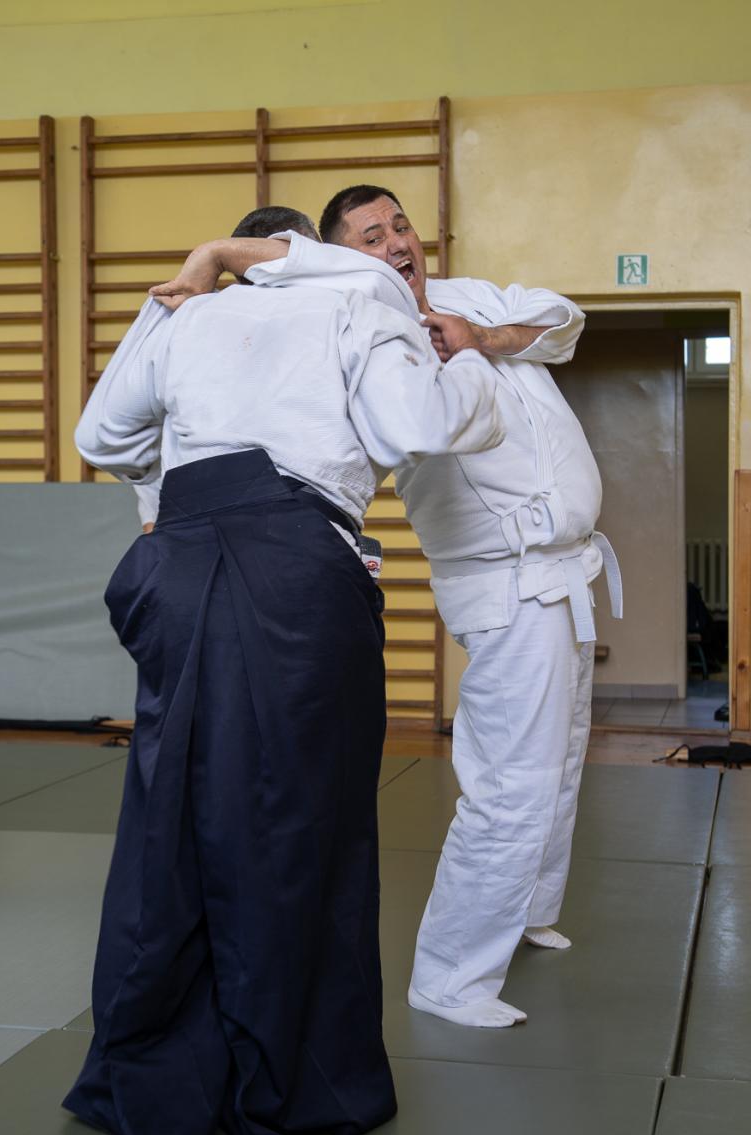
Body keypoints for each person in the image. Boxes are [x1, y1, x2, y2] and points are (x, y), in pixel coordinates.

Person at [64, 206, 503, 1135]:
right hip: (292, 570)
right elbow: (418, 424)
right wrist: (469, 362)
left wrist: (195, 454)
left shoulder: (190, 311)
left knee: (171, 814)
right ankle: (289, 1081)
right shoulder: (361, 301)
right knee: (300, 823)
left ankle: (152, 1065)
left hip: (174, 564)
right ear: (320, 252)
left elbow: (101, 434)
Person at [150, 186, 622, 1030]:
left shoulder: (472, 297)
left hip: (568, 570)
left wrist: (481, 337)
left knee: (559, 761)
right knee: (512, 780)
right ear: (342, 259)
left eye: (400, 224)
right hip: (507, 576)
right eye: (372, 236)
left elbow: (563, 321)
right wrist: (215, 255)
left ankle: (526, 911)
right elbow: (295, 275)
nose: (399, 241)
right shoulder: (362, 326)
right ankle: (451, 976)